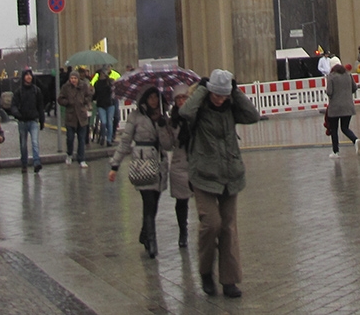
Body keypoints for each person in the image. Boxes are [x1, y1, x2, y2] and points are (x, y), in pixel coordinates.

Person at [180, 69, 260, 299]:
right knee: (211, 223)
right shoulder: (200, 108)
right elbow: (185, 112)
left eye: (223, 94)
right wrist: (203, 89)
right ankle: (206, 271)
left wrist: (236, 91)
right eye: (216, 93)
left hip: (229, 175)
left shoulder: (231, 107)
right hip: (203, 175)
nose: (219, 98)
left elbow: (253, 115)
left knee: (228, 227)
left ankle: (229, 280)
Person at [108, 85, 175, 258]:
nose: (153, 100)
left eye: (156, 97)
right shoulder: (135, 116)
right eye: (150, 97)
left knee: (155, 203)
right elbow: (125, 142)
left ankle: (145, 233)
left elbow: (168, 145)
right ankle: (152, 242)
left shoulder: (163, 118)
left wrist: (162, 126)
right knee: (148, 203)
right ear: (144, 99)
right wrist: (115, 165)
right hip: (143, 163)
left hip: (159, 164)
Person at [168, 86, 193, 249]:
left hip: (196, 161)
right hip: (179, 163)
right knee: (181, 201)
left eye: (184, 97)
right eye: (178, 98)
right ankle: (183, 231)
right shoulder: (172, 121)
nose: (182, 101)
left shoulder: (196, 116)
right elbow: (167, 143)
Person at [9, 69, 45, 173]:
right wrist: (17, 114)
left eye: (30, 75)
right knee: (23, 145)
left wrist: (42, 120)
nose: (29, 77)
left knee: (35, 142)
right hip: (22, 121)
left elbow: (40, 106)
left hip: (33, 120)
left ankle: (37, 162)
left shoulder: (36, 90)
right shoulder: (18, 91)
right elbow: (14, 105)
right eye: (27, 75)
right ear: (23, 77)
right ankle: (24, 164)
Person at [325, 58, 360, 159]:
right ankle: (355, 140)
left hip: (335, 108)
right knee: (345, 128)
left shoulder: (331, 77)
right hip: (348, 107)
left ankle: (336, 152)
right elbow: (354, 88)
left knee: (334, 130)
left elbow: (329, 92)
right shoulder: (348, 75)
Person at [57, 69, 93, 167]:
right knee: (70, 138)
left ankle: (81, 159)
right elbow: (60, 99)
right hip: (71, 116)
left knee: (81, 139)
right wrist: (67, 102)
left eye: (75, 78)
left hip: (81, 116)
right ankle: (69, 154)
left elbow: (89, 96)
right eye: (72, 78)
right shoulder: (65, 87)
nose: (73, 80)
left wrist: (84, 101)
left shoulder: (83, 86)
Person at [92, 68, 118, 146]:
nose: (103, 75)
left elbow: (113, 91)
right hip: (101, 105)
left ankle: (109, 140)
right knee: (103, 122)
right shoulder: (97, 83)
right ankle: (103, 137)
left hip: (110, 104)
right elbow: (95, 95)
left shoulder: (110, 82)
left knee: (109, 122)